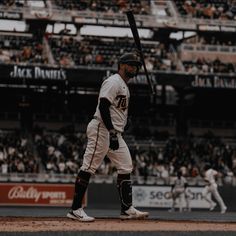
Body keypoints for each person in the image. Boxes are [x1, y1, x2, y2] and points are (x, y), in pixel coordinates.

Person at [67, 52, 149, 222]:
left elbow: (115, 109)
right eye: (130, 64)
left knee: (126, 166)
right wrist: (111, 130)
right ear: (121, 65)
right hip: (102, 129)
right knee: (89, 166)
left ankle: (126, 209)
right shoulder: (113, 81)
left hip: (115, 132)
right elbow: (103, 106)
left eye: (136, 65)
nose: (133, 67)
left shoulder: (125, 86)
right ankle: (75, 209)